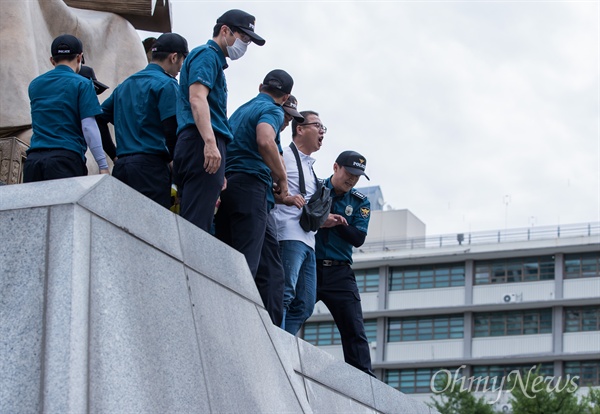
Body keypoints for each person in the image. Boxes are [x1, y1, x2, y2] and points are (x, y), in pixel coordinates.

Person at [173, 9, 265, 232]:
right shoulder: (207, 55)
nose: (244, 45)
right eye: (243, 38)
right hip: (201, 140)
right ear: (225, 31)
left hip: (199, 141)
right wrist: (210, 143)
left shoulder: (212, 59)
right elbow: (197, 98)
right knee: (197, 223)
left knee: (196, 214)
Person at [214, 69, 295, 318]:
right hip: (252, 189)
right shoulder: (272, 110)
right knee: (245, 265)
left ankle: (266, 327)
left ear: (261, 86)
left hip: (228, 187)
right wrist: (282, 177)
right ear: (286, 97)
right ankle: (237, 322)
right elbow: (265, 140)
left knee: (269, 268)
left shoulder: (240, 111)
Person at [99, 33, 188, 209]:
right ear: (174, 57)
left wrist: (114, 154)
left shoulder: (124, 86)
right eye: (182, 61)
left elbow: (98, 118)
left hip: (122, 168)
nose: (181, 68)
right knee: (149, 229)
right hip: (151, 170)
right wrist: (176, 168)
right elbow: (171, 130)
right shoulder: (167, 85)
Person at [314, 150, 374, 377]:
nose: (352, 179)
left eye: (357, 177)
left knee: (354, 328)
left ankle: (364, 379)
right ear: (335, 167)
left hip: (340, 272)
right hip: (310, 265)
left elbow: (358, 238)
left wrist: (336, 222)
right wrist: (323, 219)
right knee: (294, 311)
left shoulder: (361, 201)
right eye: (349, 173)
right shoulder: (315, 187)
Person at [271, 110, 327, 335]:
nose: (322, 131)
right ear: (300, 129)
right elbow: (269, 188)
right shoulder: (282, 155)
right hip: (287, 234)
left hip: (308, 239)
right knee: (284, 294)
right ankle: (278, 345)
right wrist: (285, 198)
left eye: (324, 128)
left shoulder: (309, 166)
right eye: (318, 126)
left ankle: (285, 342)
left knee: (305, 304)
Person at [24, 34, 109, 182]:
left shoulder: (35, 84)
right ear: (79, 58)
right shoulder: (82, 84)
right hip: (65, 160)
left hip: (33, 161)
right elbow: (89, 127)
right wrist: (102, 165)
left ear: (52, 60)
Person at [255, 95, 305, 326]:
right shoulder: (269, 118)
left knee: (278, 282)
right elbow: (263, 143)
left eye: (290, 118)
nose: (286, 121)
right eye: (285, 116)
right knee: (269, 277)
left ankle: (275, 336)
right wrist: (283, 179)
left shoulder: (276, 138)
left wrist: (284, 196)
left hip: (264, 202)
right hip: (257, 206)